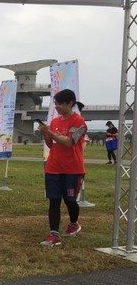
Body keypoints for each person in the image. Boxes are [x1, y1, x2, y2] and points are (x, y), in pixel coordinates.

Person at [37, 89, 87, 246]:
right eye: (55, 104)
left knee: (70, 200)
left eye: (59, 104)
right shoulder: (55, 121)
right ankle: (54, 234)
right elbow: (51, 145)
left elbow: (68, 143)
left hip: (72, 169)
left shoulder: (79, 122)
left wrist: (50, 132)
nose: (57, 107)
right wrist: (45, 134)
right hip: (53, 167)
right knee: (54, 200)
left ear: (70, 103)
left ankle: (74, 223)